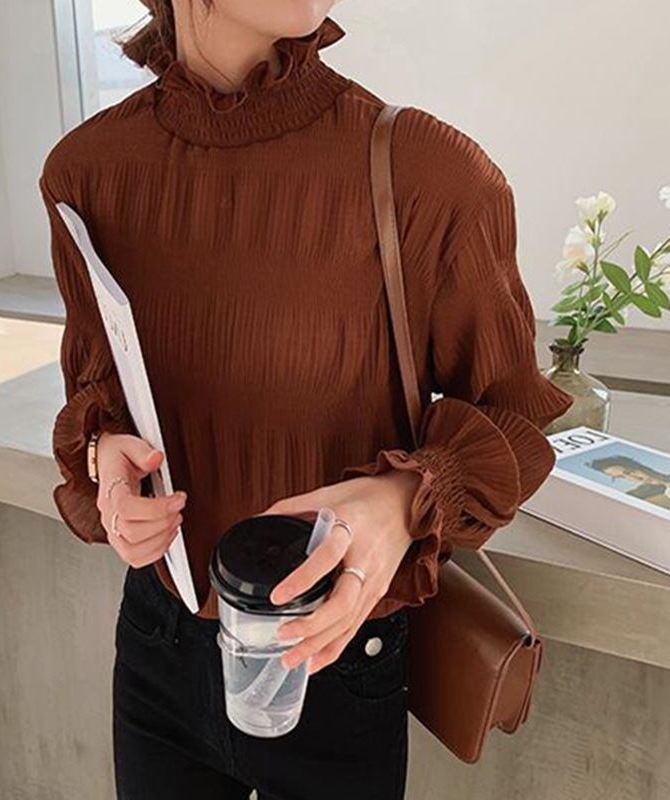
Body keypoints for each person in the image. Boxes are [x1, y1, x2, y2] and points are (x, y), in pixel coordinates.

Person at [39, 1, 573, 797]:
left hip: (339, 658)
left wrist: (404, 498)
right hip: (159, 643)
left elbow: (514, 419)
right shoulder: (88, 172)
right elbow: (98, 384)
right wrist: (104, 455)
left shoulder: (430, 174)